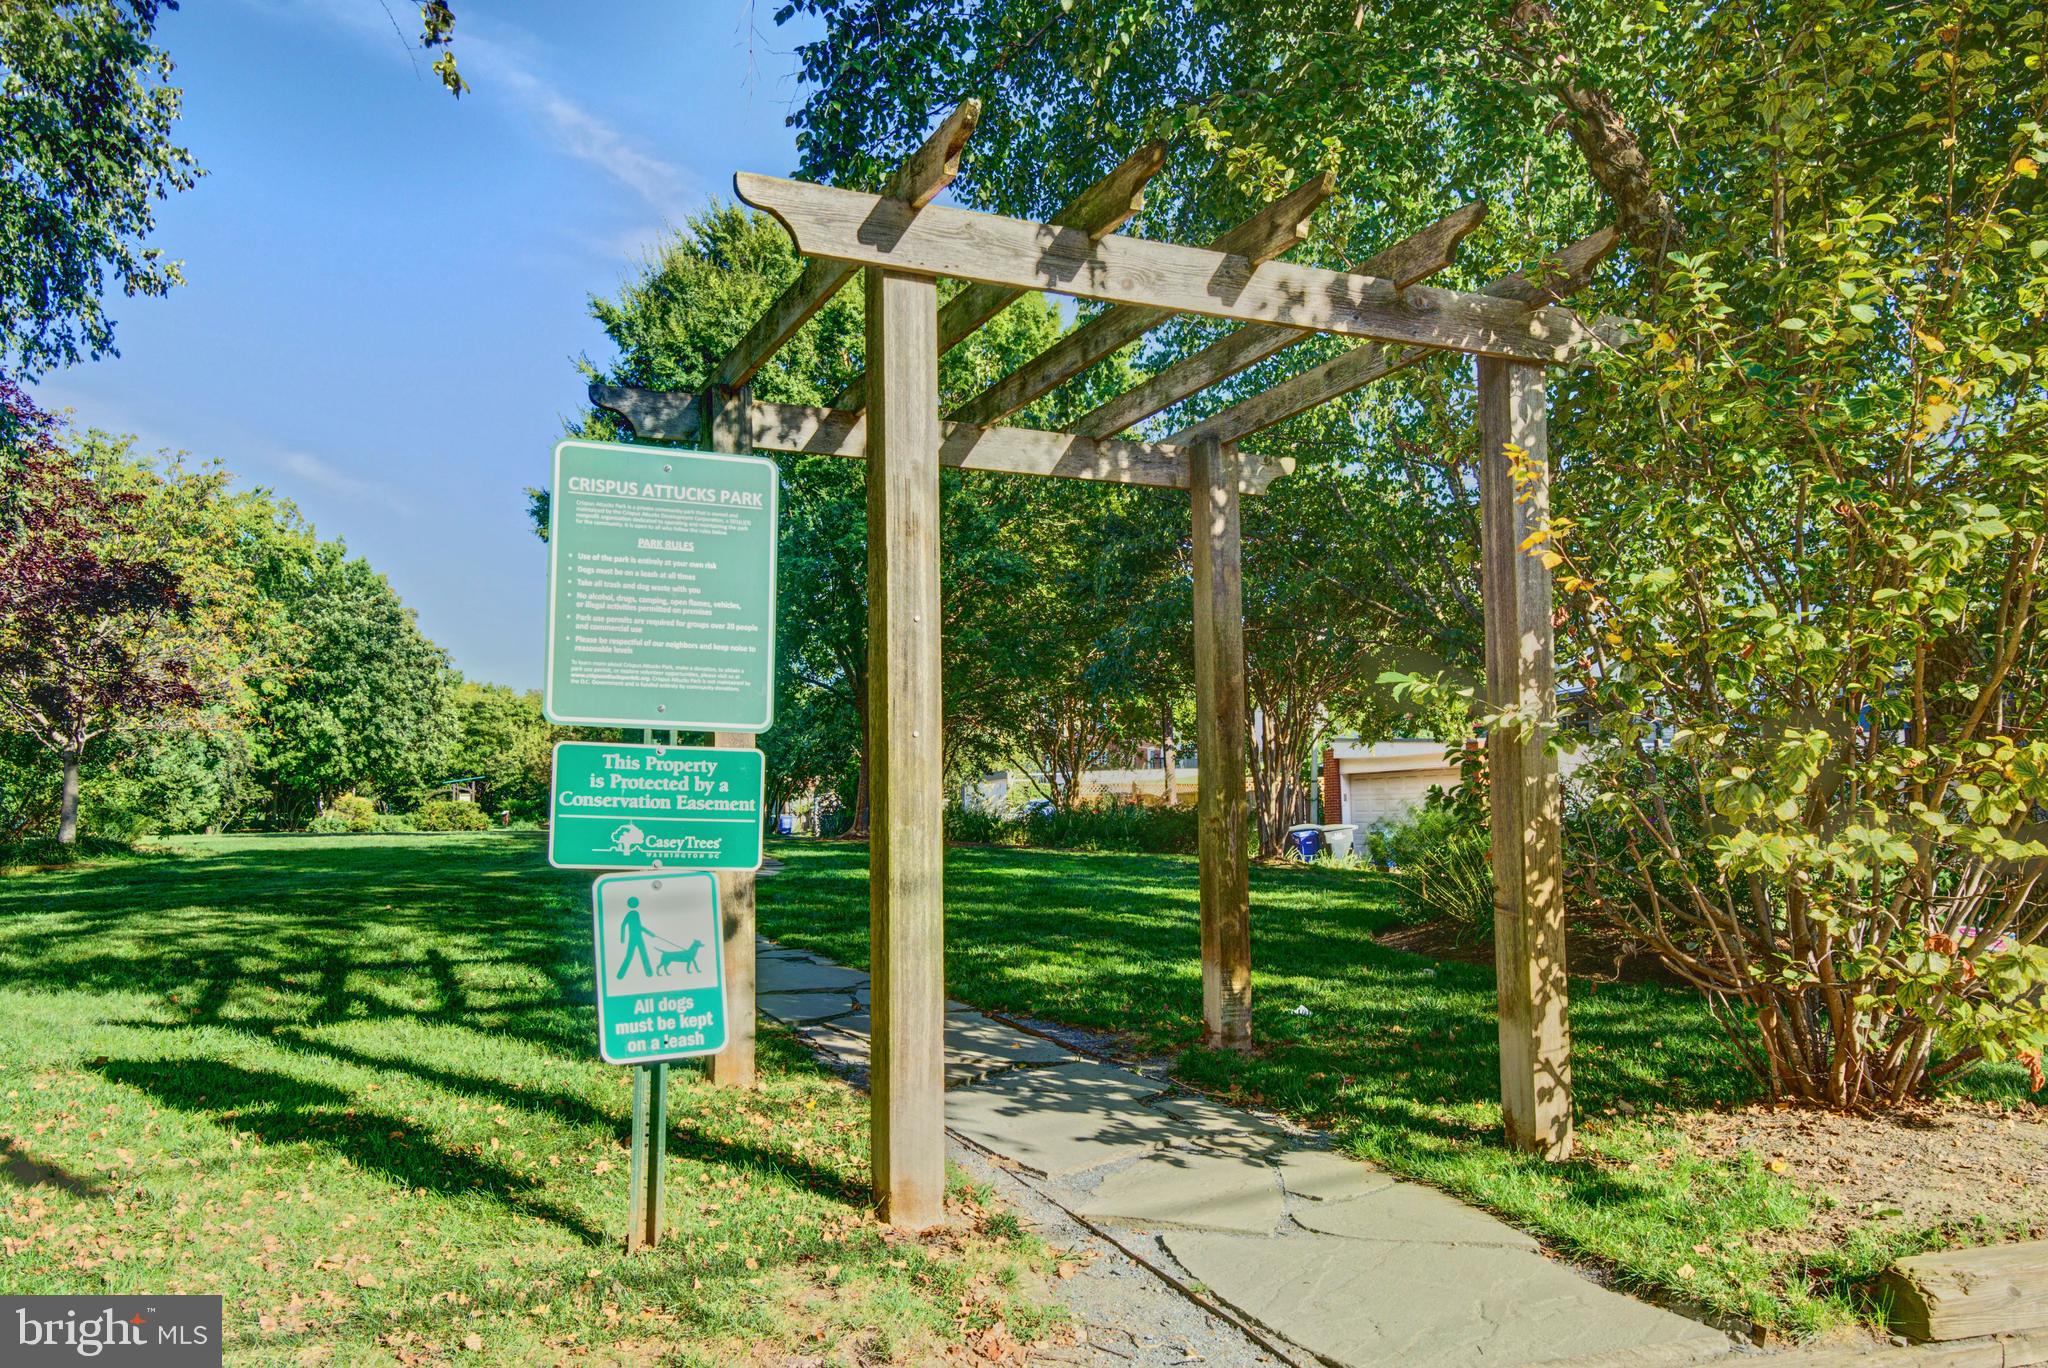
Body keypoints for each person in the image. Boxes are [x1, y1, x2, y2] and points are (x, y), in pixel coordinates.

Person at [617, 896, 654, 979]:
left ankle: (649, 973)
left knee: (644, 954)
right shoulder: (630, 914)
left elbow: (639, 927)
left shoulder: (637, 913)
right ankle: (620, 974)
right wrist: (622, 938)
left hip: (639, 938)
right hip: (633, 938)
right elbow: (623, 925)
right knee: (629, 956)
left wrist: (650, 934)